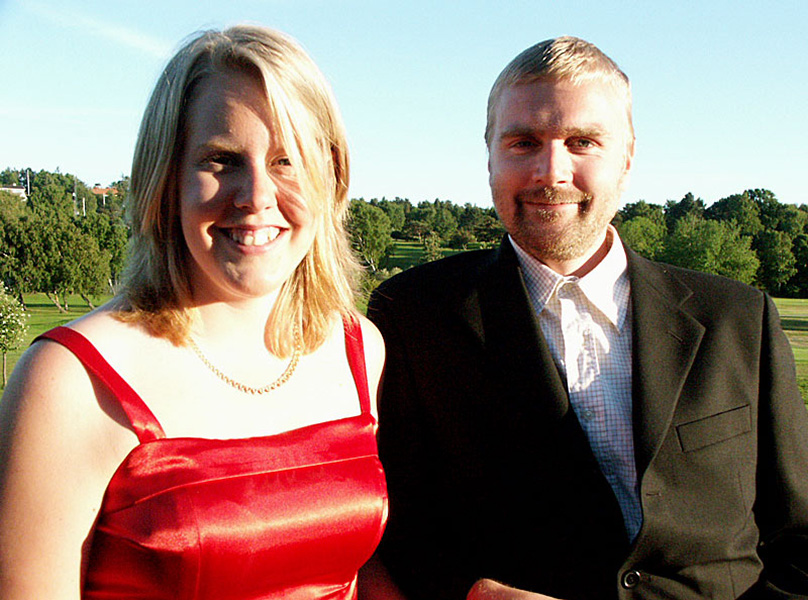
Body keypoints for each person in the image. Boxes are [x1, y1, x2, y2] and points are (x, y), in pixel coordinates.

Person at [366, 36, 808, 600]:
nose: (551, 171)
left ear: (627, 158)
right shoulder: (412, 316)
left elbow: (799, 538)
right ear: (490, 156)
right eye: (523, 142)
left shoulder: (737, 318)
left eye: (583, 142)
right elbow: (393, 528)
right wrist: (471, 592)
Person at [0, 25, 387, 599]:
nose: (256, 196)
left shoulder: (359, 349)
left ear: (331, 177)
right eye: (222, 160)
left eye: (288, 160)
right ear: (166, 179)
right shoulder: (70, 382)